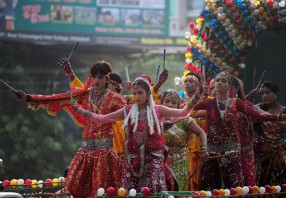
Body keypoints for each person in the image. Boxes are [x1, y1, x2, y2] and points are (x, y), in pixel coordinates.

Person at [70, 76, 203, 192]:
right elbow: (102, 119)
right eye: (135, 93)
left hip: (153, 159)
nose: (137, 96)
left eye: (140, 93)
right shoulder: (127, 110)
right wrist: (80, 111)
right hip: (132, 160)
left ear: (148, 94)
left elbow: (183, 113)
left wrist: (196, 97)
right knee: (129, 192)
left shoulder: (158, 110)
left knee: (154, 191)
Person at [16, 60, 126, 198]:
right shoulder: (85, 95)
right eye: (94, 77)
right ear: (90, 78)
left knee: (101, 193)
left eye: (100, 77)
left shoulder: (115, 99)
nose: (96, 80)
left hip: (105, 154)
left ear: (106, 79)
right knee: (70, 189)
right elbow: (57, 98)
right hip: (85, 152)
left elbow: (131, 114)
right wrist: (29, 97)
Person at [193, 71, 286, 190]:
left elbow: (259, 115)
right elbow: (187, 109)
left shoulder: (237, 103)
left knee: (233, 187)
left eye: (223, 81)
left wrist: (280, 117)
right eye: (217, 80)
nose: (219, 83)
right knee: (209, 186)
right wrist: (198, 95)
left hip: (233, 151)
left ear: (230, 85)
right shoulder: (208, 102)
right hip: (211, 151)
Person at [253, 81, 286, 186]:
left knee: (280, 186)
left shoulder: (285, 111)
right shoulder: (257, 108)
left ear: (276, 94)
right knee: (257, 187)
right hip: (259, 155)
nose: (264, 96)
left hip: (278, 155)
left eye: (267, 92)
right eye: (262, 93)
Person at [160, 89, 208, 191]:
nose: (170, 105)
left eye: (174, 103)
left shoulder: (184, 119)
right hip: (160, 161)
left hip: (180, 161)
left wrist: (204, 149)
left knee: (178, 190)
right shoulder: (156, 118)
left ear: (178, 106)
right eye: (167, 101)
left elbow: (202, 133)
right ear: (161, 103)